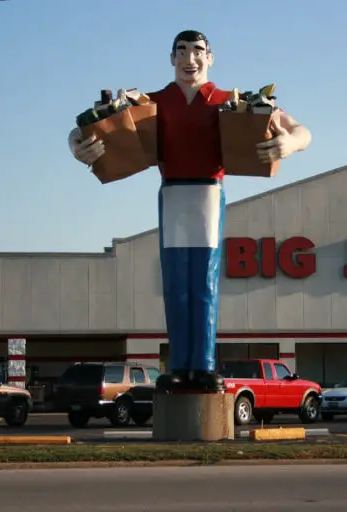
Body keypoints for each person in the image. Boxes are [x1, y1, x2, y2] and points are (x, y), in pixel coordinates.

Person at [66, 30, 312, 393]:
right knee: (176, 284)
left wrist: (289, 143)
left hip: (208, 195)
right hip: (172, 195)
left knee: (205, 284)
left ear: (210, 58)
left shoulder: (232, 101)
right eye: (181, 51)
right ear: (171, 59)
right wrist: (78, 147)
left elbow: (301, 130)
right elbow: (82, 128)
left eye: (197, 51)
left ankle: (204, 366)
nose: (189, 59)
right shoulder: (151, 101)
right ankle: (179, 366)